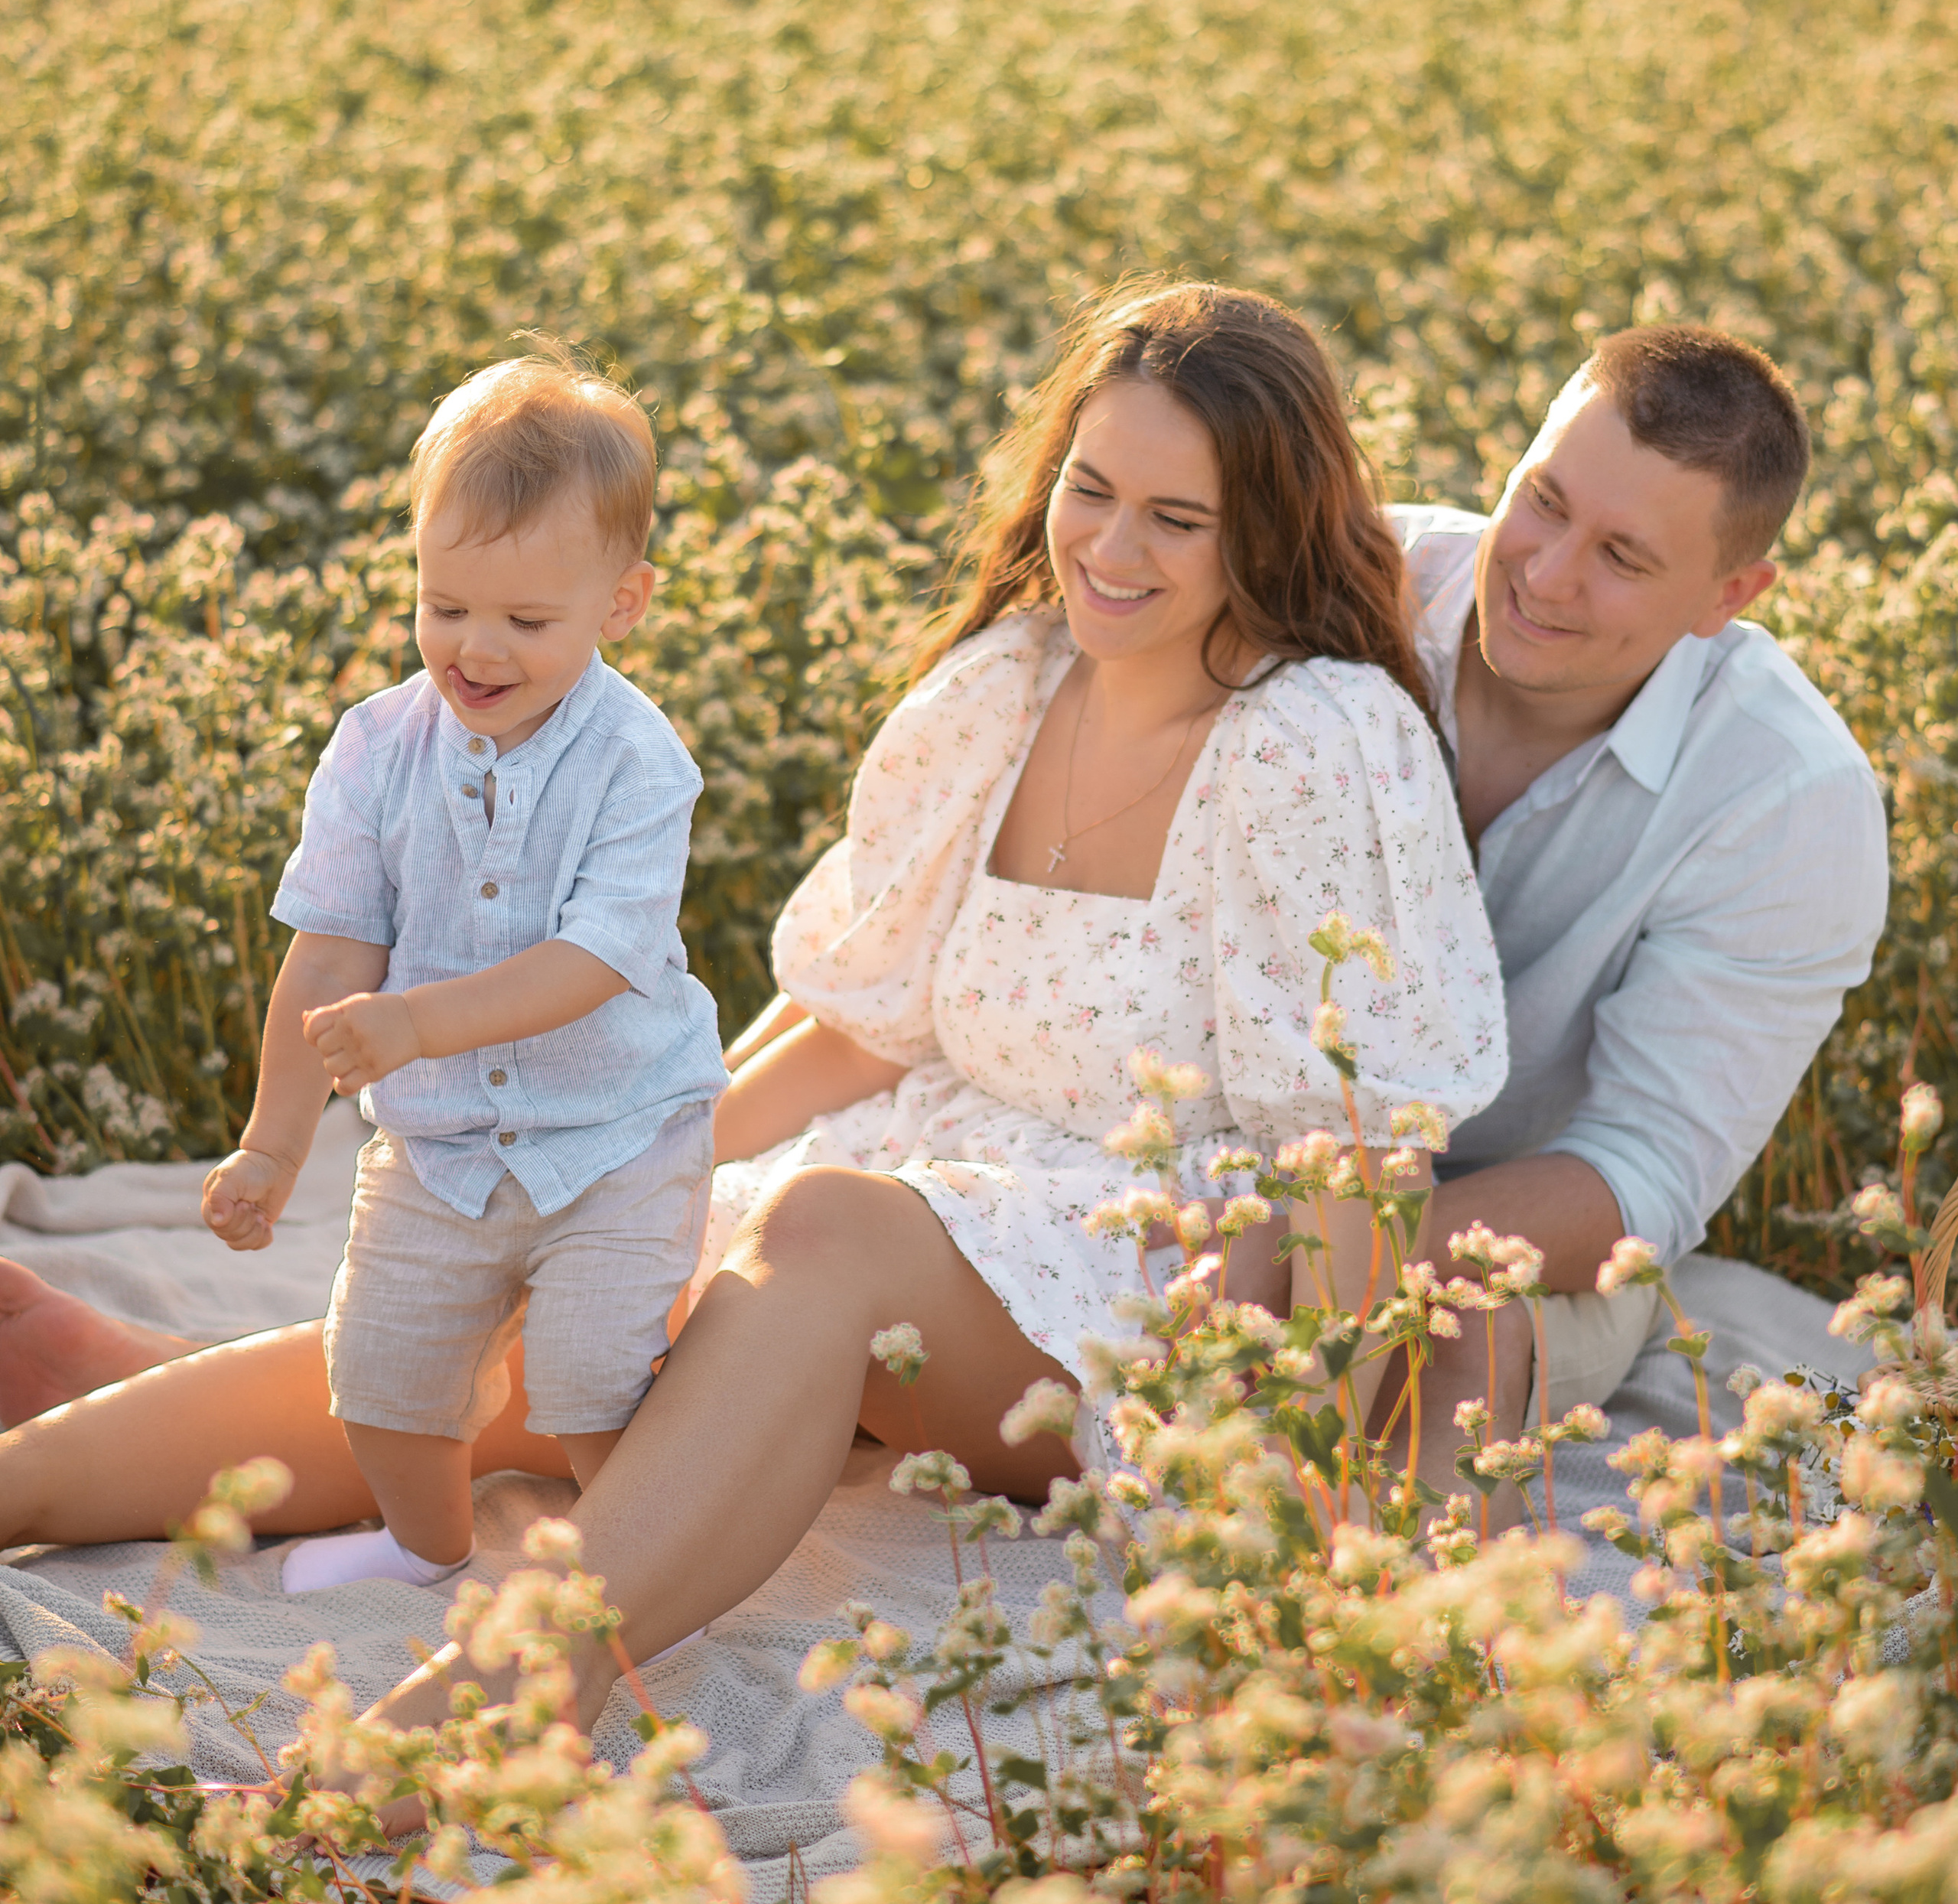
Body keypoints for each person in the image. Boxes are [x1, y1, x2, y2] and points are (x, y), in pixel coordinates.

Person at [0, 282, 1506, 1744]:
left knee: (827, 1229)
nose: (1109, 548)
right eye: (1091, 489)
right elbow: (854, 1021)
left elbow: (1355, 1143)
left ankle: (486, 1705)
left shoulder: (1312, 742)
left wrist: (1315, 1479)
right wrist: (637, 1174)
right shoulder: (1003, 686)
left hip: (1165, 1274)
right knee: (551, 1316)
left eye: (1174, 520)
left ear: (1261, 529)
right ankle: (30, 1482)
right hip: (941, 1183)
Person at [200, 347, 727, 1594]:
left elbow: (598, 958)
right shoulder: (379, 748)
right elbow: (326, 953)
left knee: (597, 1380)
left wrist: (418, 1022)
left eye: (526, 622)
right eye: (446, 607)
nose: (475, 650)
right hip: (440, 1141)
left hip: (618, 1128)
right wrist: (275, 1147)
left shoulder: (640, 765)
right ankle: (427, 1551)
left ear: (623, 601)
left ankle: (642, 1573)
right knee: (378, 1375)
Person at [1384, 323, 1888, 1442]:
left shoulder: (1789, 796)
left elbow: (1639, 1170)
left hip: (1531, 1241)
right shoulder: (1343, 591)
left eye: (1623, 557)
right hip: (1214, 1158)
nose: (1546, 574)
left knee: (1444, 1346)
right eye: (1545, 501)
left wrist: (1310, 1264)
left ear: (1730, 595)